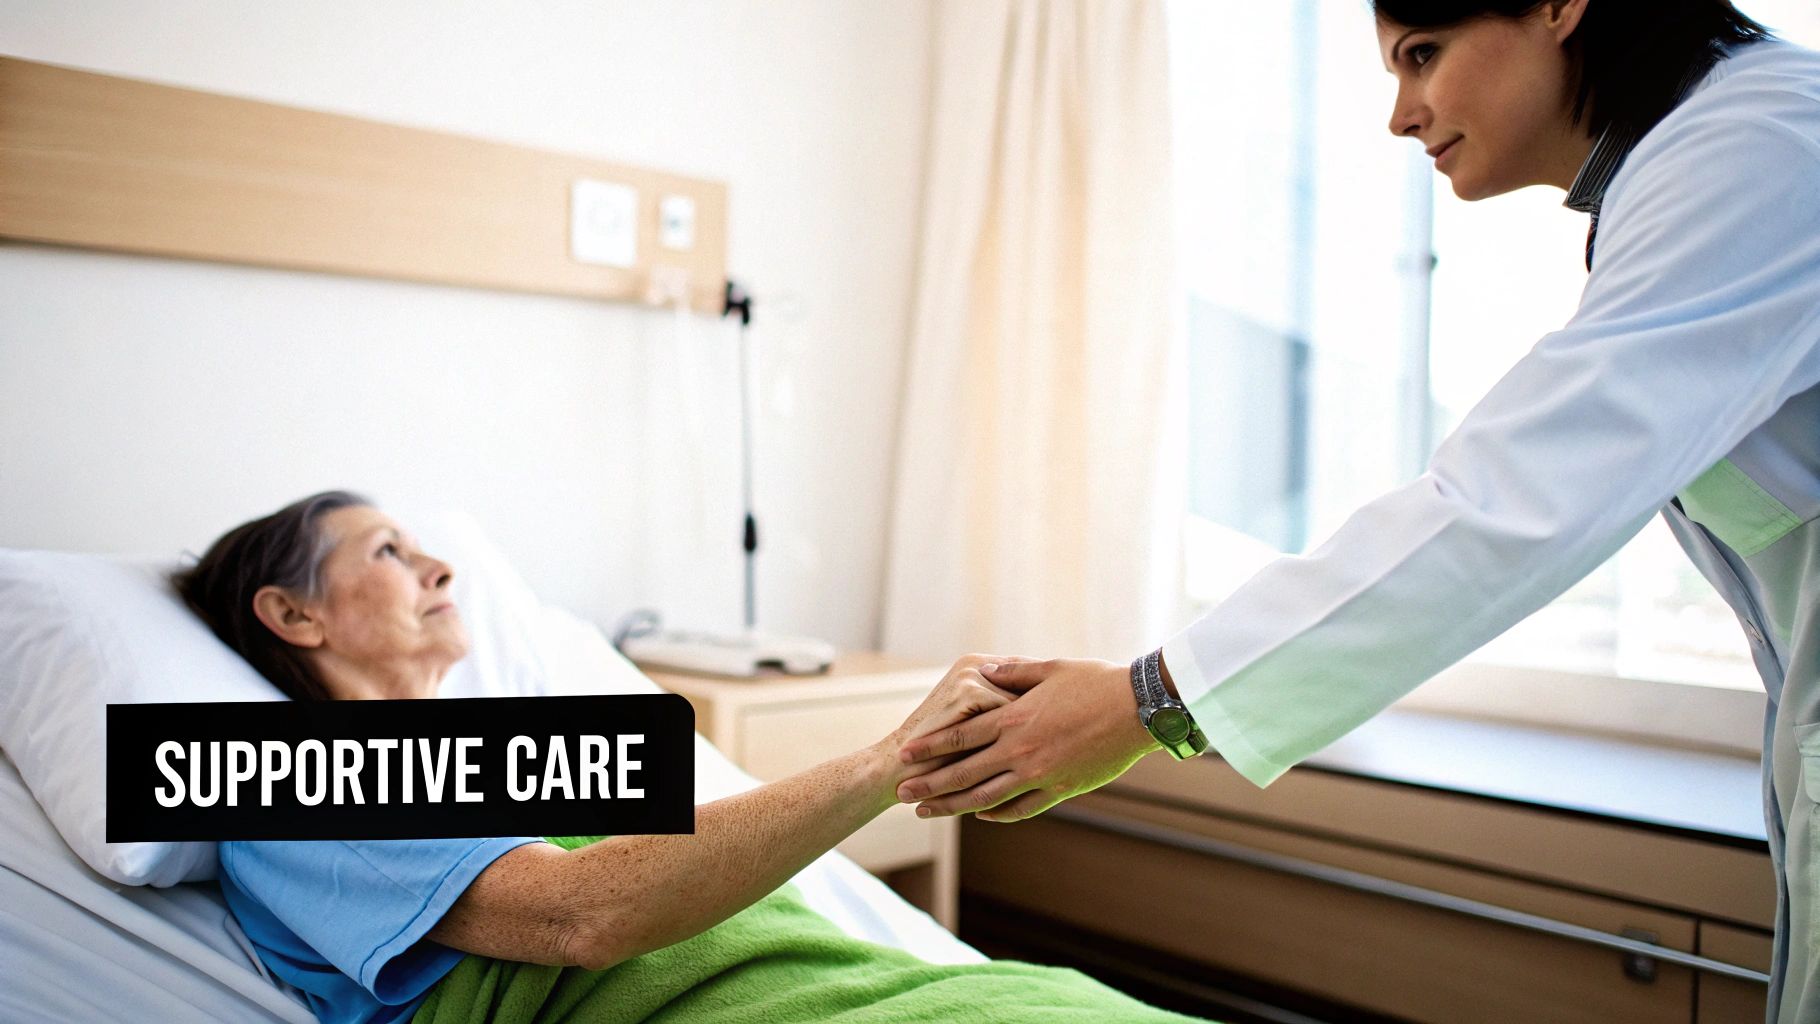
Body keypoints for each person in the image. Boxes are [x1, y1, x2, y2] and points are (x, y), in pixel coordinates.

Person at [894, 2, 1820, 1021]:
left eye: (1421, 55)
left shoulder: (1756, 148)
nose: (1398, 115)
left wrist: (1144, 700)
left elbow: (1505, 500)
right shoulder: (1702, 158)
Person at [174, 491, 1207, 1024]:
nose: (439, 563)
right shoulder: (281, 775)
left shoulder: (524, 747)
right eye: (388, 552)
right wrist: (887, 759)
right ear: (291, 612)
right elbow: (583, 913)